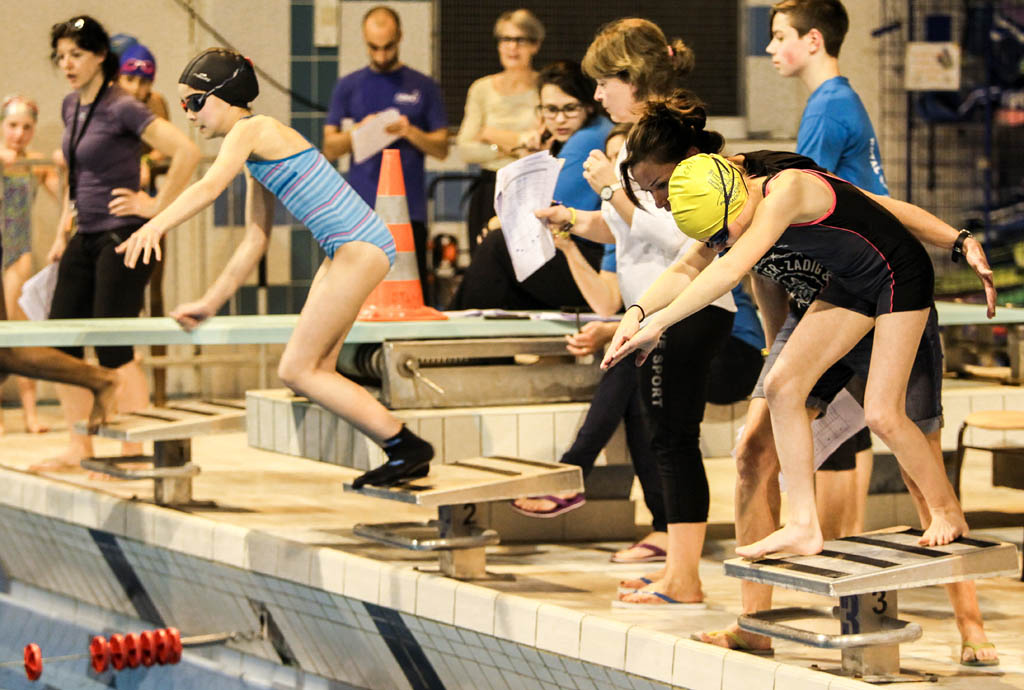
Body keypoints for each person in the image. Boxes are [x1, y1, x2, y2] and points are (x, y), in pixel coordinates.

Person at [603, 148, 990, 562]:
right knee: (781, 387)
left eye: (722, 234)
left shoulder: (786, 191)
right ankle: (803, 525)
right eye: (714, 240)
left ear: (734, 199)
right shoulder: (730, 201)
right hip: (851, 282)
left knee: (883, 414)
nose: (723, 243)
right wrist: (636, 314)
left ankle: (947, 512)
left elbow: (729, 271)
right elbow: (687, 267)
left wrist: (660, 324)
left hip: (899, 274)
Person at [116, 48, 435, 490]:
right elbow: (255, 240)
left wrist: (155, 223)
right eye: (184, 103)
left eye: (195, 102)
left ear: (225, 95)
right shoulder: (253, 152)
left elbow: (209, 187)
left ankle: (405, 447)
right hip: (347, 248)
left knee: (296, 370)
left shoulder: (253, 129)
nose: (188, 113)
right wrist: (209, 304)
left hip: (359, 246)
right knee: (316, 369)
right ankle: (399, 449)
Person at [534, 20, 738, 608]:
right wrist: (573, 220)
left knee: (674, 441)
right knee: (663, 440)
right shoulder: (631, 144)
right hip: (655, 311)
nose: (597, 95)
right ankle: (677, 570)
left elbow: (689, 235)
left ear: (636, 77)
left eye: (605, 82)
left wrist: (611, 189)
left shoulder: (675, 143)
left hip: (689, 308)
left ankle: (685, 578)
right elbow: (628, 232)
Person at [41, 16, 200, 471]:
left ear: (99, 57)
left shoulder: (123, 106)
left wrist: (156, 207)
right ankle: (79, 445)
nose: (67, 64)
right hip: (84, 234)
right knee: (61, 347)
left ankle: (134, 449)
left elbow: (187, 151)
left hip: (122, 235)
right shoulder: (71, 105)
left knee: (114, 348)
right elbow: (77, 174)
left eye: (76, 55)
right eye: (61, 56)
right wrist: (63, 227)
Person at [768, 0, 883, 539]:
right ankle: (845, 543)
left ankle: (834, 549)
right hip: (869, 274)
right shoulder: (840, 100)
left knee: (824, 417)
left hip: (855, 278)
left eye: (779, 36)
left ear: (813, 40)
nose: (770, 47)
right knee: (851, 418)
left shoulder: (827, 109)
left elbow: (799, 206)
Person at [449, 60, 611, 311]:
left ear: (589, 105)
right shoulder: (575, 136)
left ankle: (457, 326)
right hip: (583, 255)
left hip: (598, 266)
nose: (559, 119)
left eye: (569, 108)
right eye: (550, 110)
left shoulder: (589, 137)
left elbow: (542, 210)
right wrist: (534, 157)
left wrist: (495, 223)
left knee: (497, 244)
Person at [323, 6, 448, 298]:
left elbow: (442, 147)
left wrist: (409, 131)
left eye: (388, 47)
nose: (380, 55)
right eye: (373, 47)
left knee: (410, 293)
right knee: (359, 294)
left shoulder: (423, 86)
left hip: (409, 211)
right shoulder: (349, 85)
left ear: (400, 37)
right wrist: (358, 131)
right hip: (362, 210)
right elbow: (329, 148)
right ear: (364, 40)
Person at [456, 9, 543, 253]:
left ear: (535, 45)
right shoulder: (481, 89)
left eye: (520, 40)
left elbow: (542, 145)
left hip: (531, 186)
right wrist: (515, 147)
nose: (512, 47)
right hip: (489, 188)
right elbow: (465, 149)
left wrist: (490, 134)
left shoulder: (545, 87)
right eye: (505, 39)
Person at [0, 95, 61, 433]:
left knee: (20, 334)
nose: (18, 134)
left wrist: (64, 165)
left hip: (16, 250)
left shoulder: (36, 164)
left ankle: (30, 414)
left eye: (26, 127)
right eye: (12, 126)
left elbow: (64, 193)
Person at [116, 42, 171, 189]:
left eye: (143, 82)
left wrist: (146, 162)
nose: (135, 88)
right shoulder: (105, 103)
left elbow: (165, 147)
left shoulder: (155, 103)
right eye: (129, 79)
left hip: (142, 183)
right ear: (118, 79)